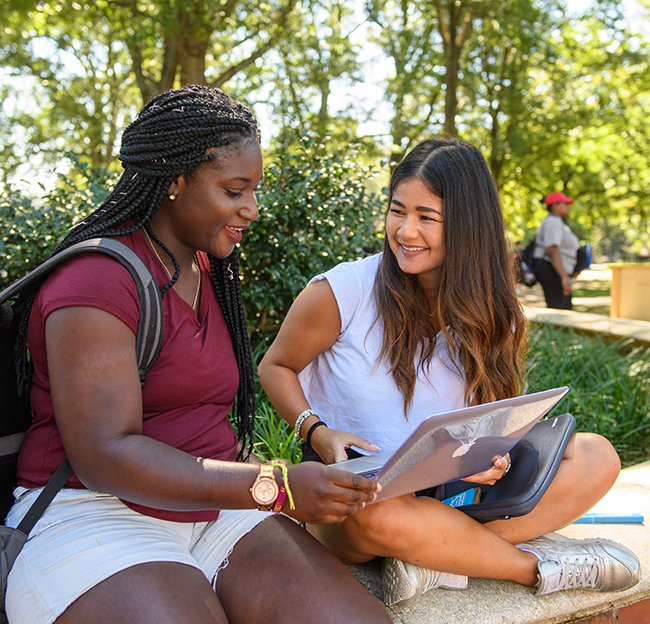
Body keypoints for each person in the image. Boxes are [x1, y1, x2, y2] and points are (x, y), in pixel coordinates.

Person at [4, 85, 394, 624]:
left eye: (254, 189)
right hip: (91, 511)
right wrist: (275, 486)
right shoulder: (96, 279)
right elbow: (103, 454)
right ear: (176, 179)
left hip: (216, 511)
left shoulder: (204, 266)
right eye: (235, 190)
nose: (251, 209)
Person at [258, 138, 640, 607]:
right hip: (360, 497)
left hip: (448, 494)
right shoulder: (342, 292)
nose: (405, 230)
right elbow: (275, 365)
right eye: (398, 211)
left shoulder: (495, 312)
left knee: (597, 457)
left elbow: (491, 418)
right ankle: (536, 569)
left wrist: (491, 456)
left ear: (466, 227)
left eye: (426, 217)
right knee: (372, 515)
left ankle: (433, 560)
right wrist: (316, 431)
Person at [531, 191, 580, 309]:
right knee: (560, 310)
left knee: (564, 307)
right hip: (552, 270)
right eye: (565, 204)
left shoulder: (557, 222)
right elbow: (552, 250)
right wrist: (564, 277)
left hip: (556, 271)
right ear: (555, 205)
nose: (567, 207)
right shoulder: (552, 222)